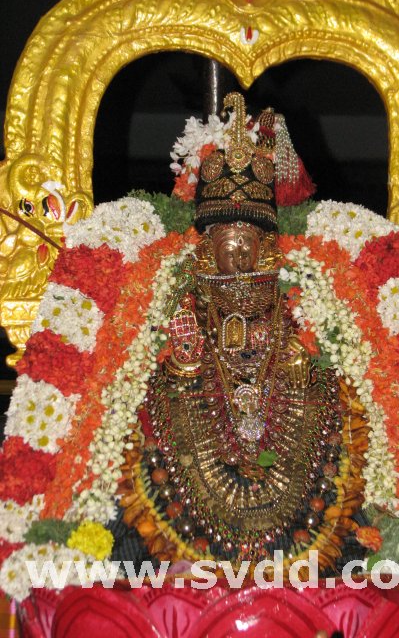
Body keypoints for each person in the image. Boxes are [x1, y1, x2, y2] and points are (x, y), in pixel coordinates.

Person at [109, 92, 369, 575]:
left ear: (265, 245)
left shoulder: (300, 301)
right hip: (191, 458)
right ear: (207, 247)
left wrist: (299, 360)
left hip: (295, 465)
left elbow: (324, 368)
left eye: (247, 242)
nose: (239, 256)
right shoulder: (179, 300)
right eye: (228, 243)